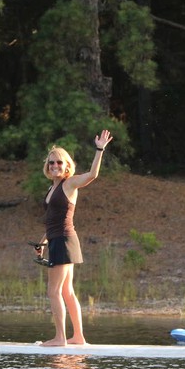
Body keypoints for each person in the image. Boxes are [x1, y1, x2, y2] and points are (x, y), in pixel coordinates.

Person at [34, 130, 113, 346]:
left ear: (66, 165)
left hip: (64, 241)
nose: (55, 166)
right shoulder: (53, 187)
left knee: (54, 291)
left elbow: (92, 175)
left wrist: (99, 149)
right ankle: (78, 337)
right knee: (67, 291)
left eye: (59, 162)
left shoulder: (69, 184)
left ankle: (60, 338)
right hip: (59, 240)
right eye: (51, 163)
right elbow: (52, 220)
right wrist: (42, 242)